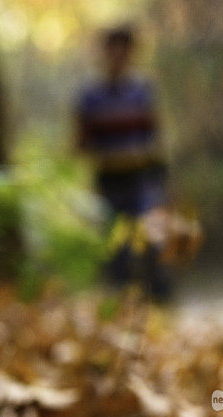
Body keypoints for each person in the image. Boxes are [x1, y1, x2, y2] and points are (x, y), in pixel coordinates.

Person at [75, 25, 171, 299]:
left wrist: (160, 175)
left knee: (152, 239)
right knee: (116, 249)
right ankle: (122, 305)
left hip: (142, 178)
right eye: (113, 50)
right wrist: (108, 157)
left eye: (124, 50)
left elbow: (156, 137)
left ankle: (159, 302)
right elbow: (80, 144)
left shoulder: (143, 91)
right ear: (105, 54)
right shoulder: (90, 97)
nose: (118, 56)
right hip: (108, 181)